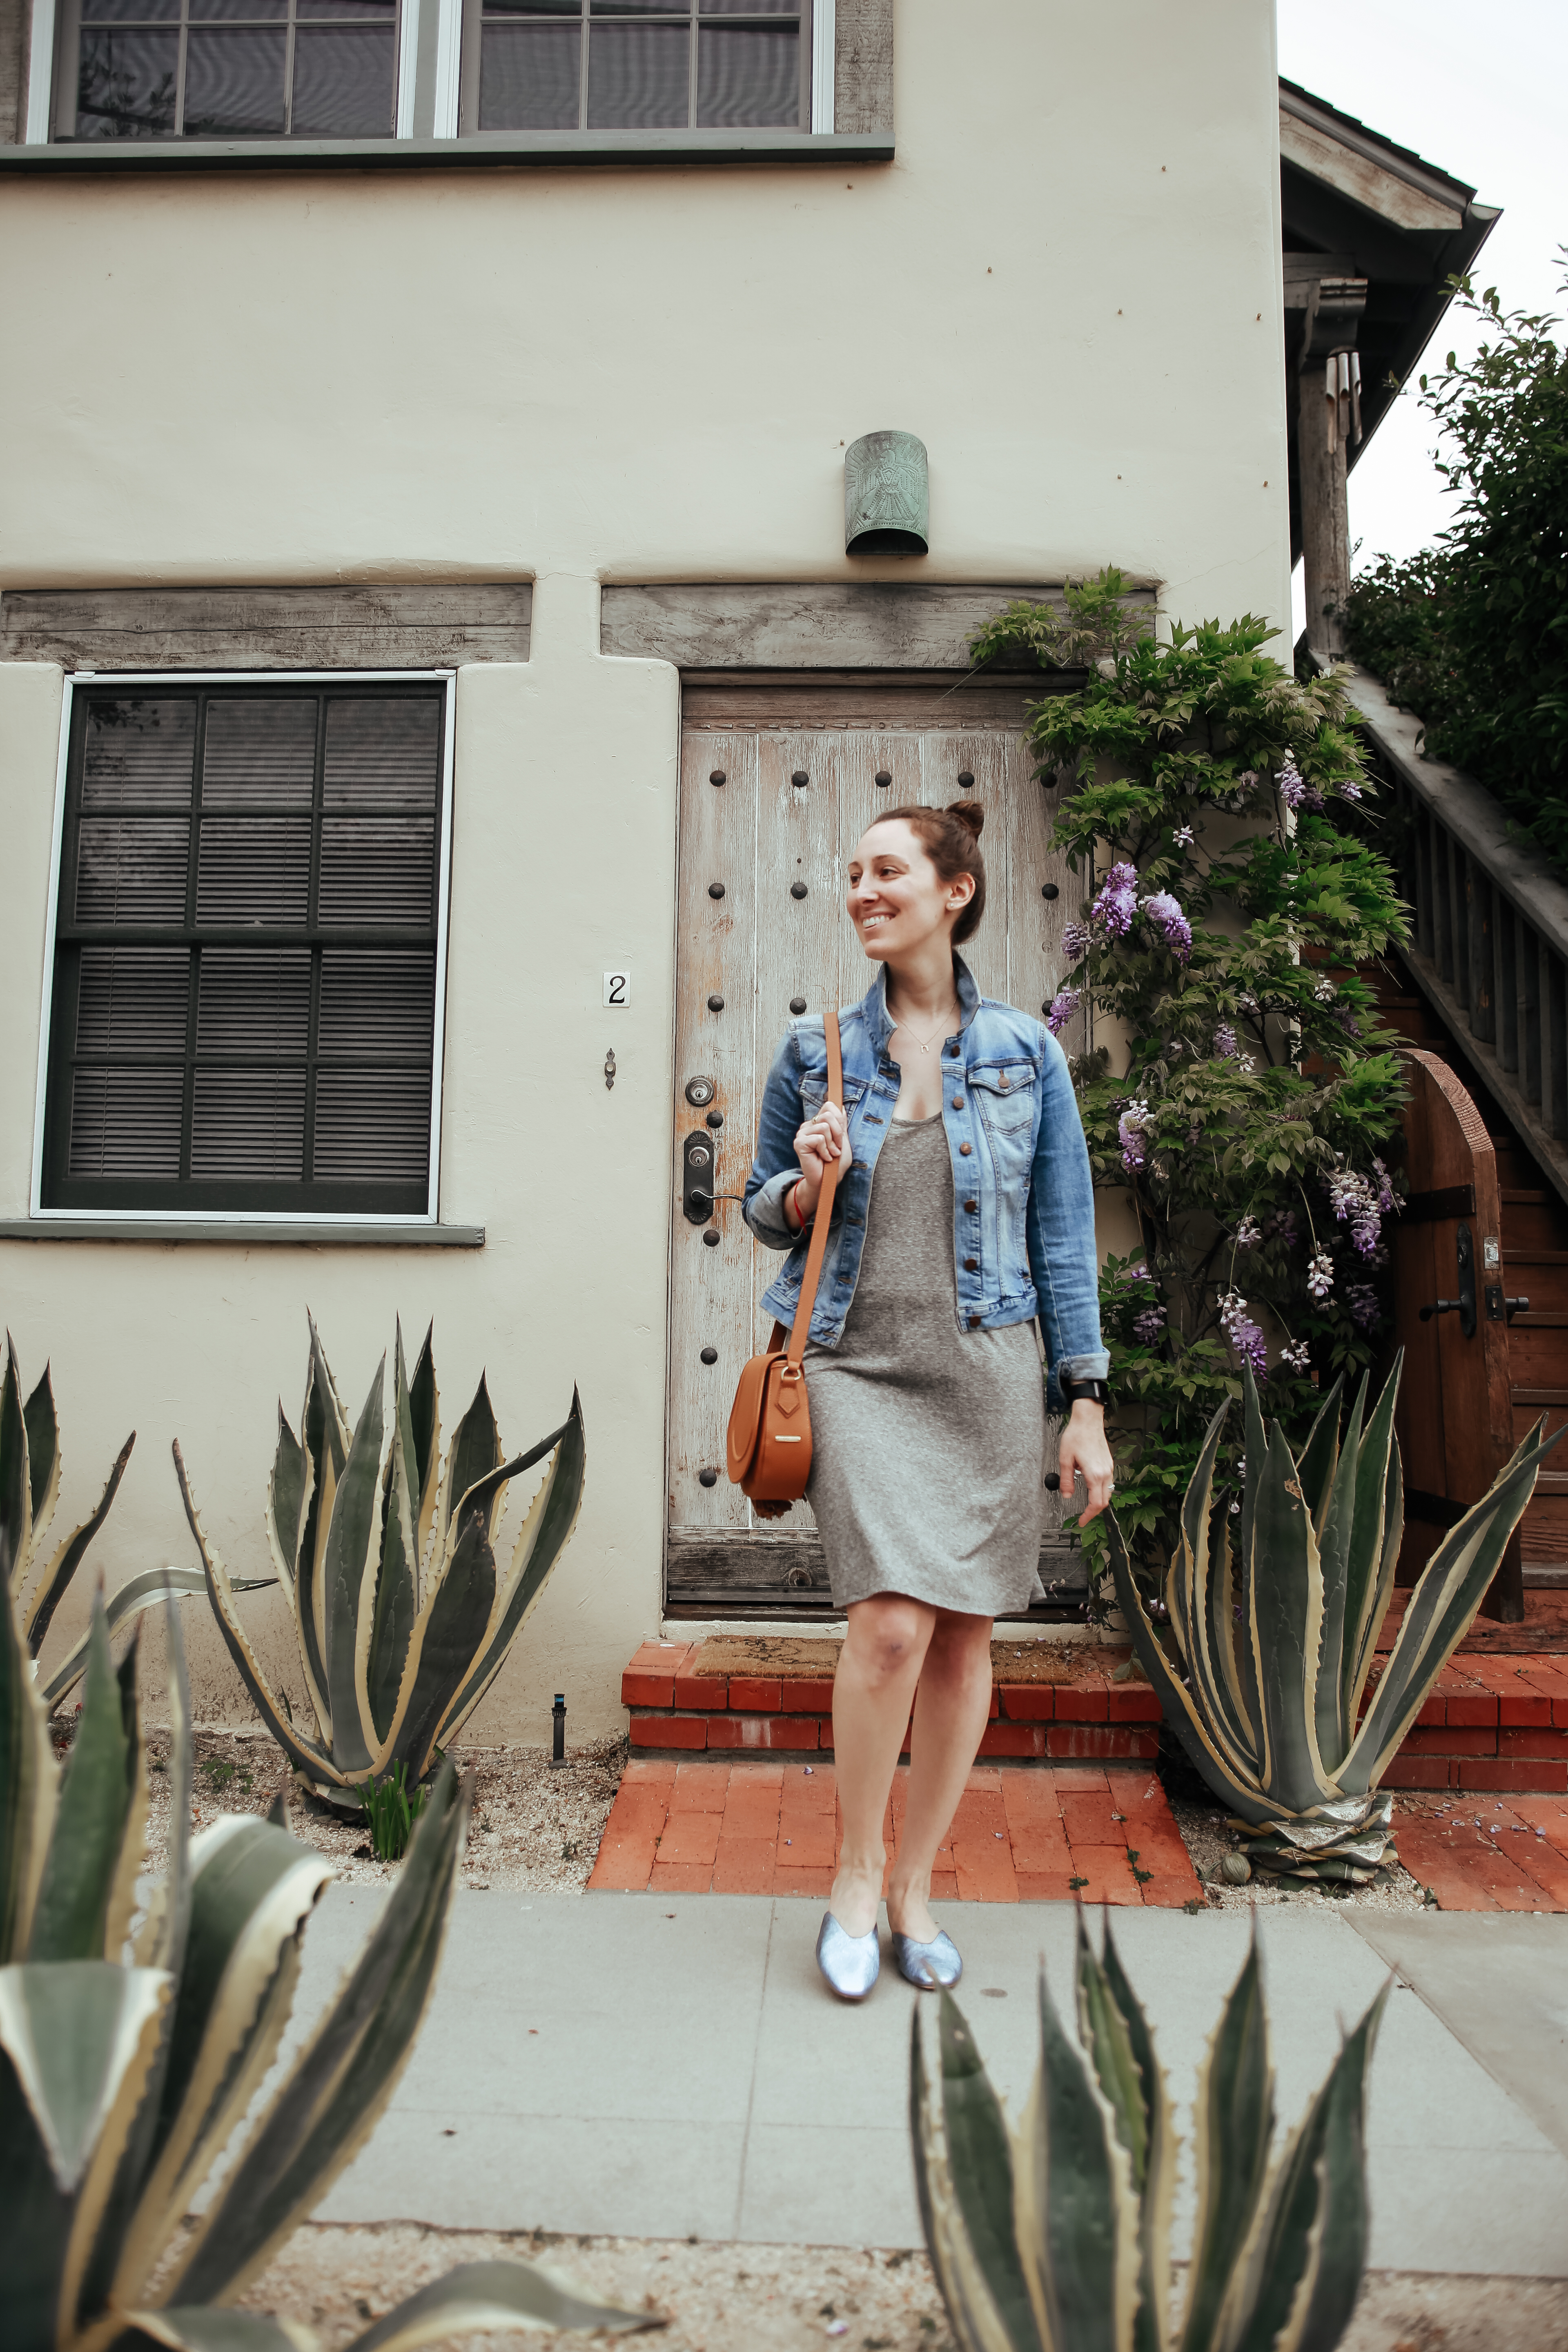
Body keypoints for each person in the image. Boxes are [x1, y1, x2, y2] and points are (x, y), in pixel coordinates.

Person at [742, 800, 1113, 2000]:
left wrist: (1086, 1402)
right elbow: (754, 1211)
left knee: (962, 1635)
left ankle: (915, 1888)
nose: (862, 890)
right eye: (851, 873)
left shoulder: (1026, 1053)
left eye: (886, 870)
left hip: (988, 1368)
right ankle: (854, 1876)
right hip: (854, 1360)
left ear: (954, 892)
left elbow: (1065, 1238)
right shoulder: (814, 1053)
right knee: (891, 1624)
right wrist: (806, 1189)